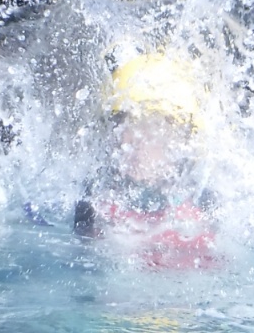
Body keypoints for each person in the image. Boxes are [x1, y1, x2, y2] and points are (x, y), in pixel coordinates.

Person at [74, 52, 217, 268]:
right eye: (124, 125)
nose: (130, 141)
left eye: (148, 128)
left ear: (181, 143)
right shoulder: (92, 205)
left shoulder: (204, 214)